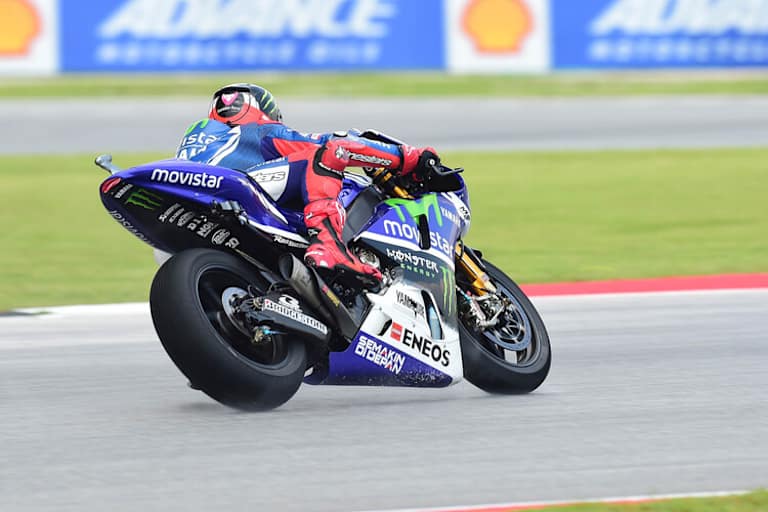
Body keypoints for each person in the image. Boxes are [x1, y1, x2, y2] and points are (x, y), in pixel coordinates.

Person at [175, 83, 439, 285]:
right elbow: (333, 144)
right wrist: (410, 158)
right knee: (329, 153)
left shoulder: (198, 137)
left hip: (197, 207)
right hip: (239, 189)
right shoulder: (259, 131)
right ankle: (329, 245)